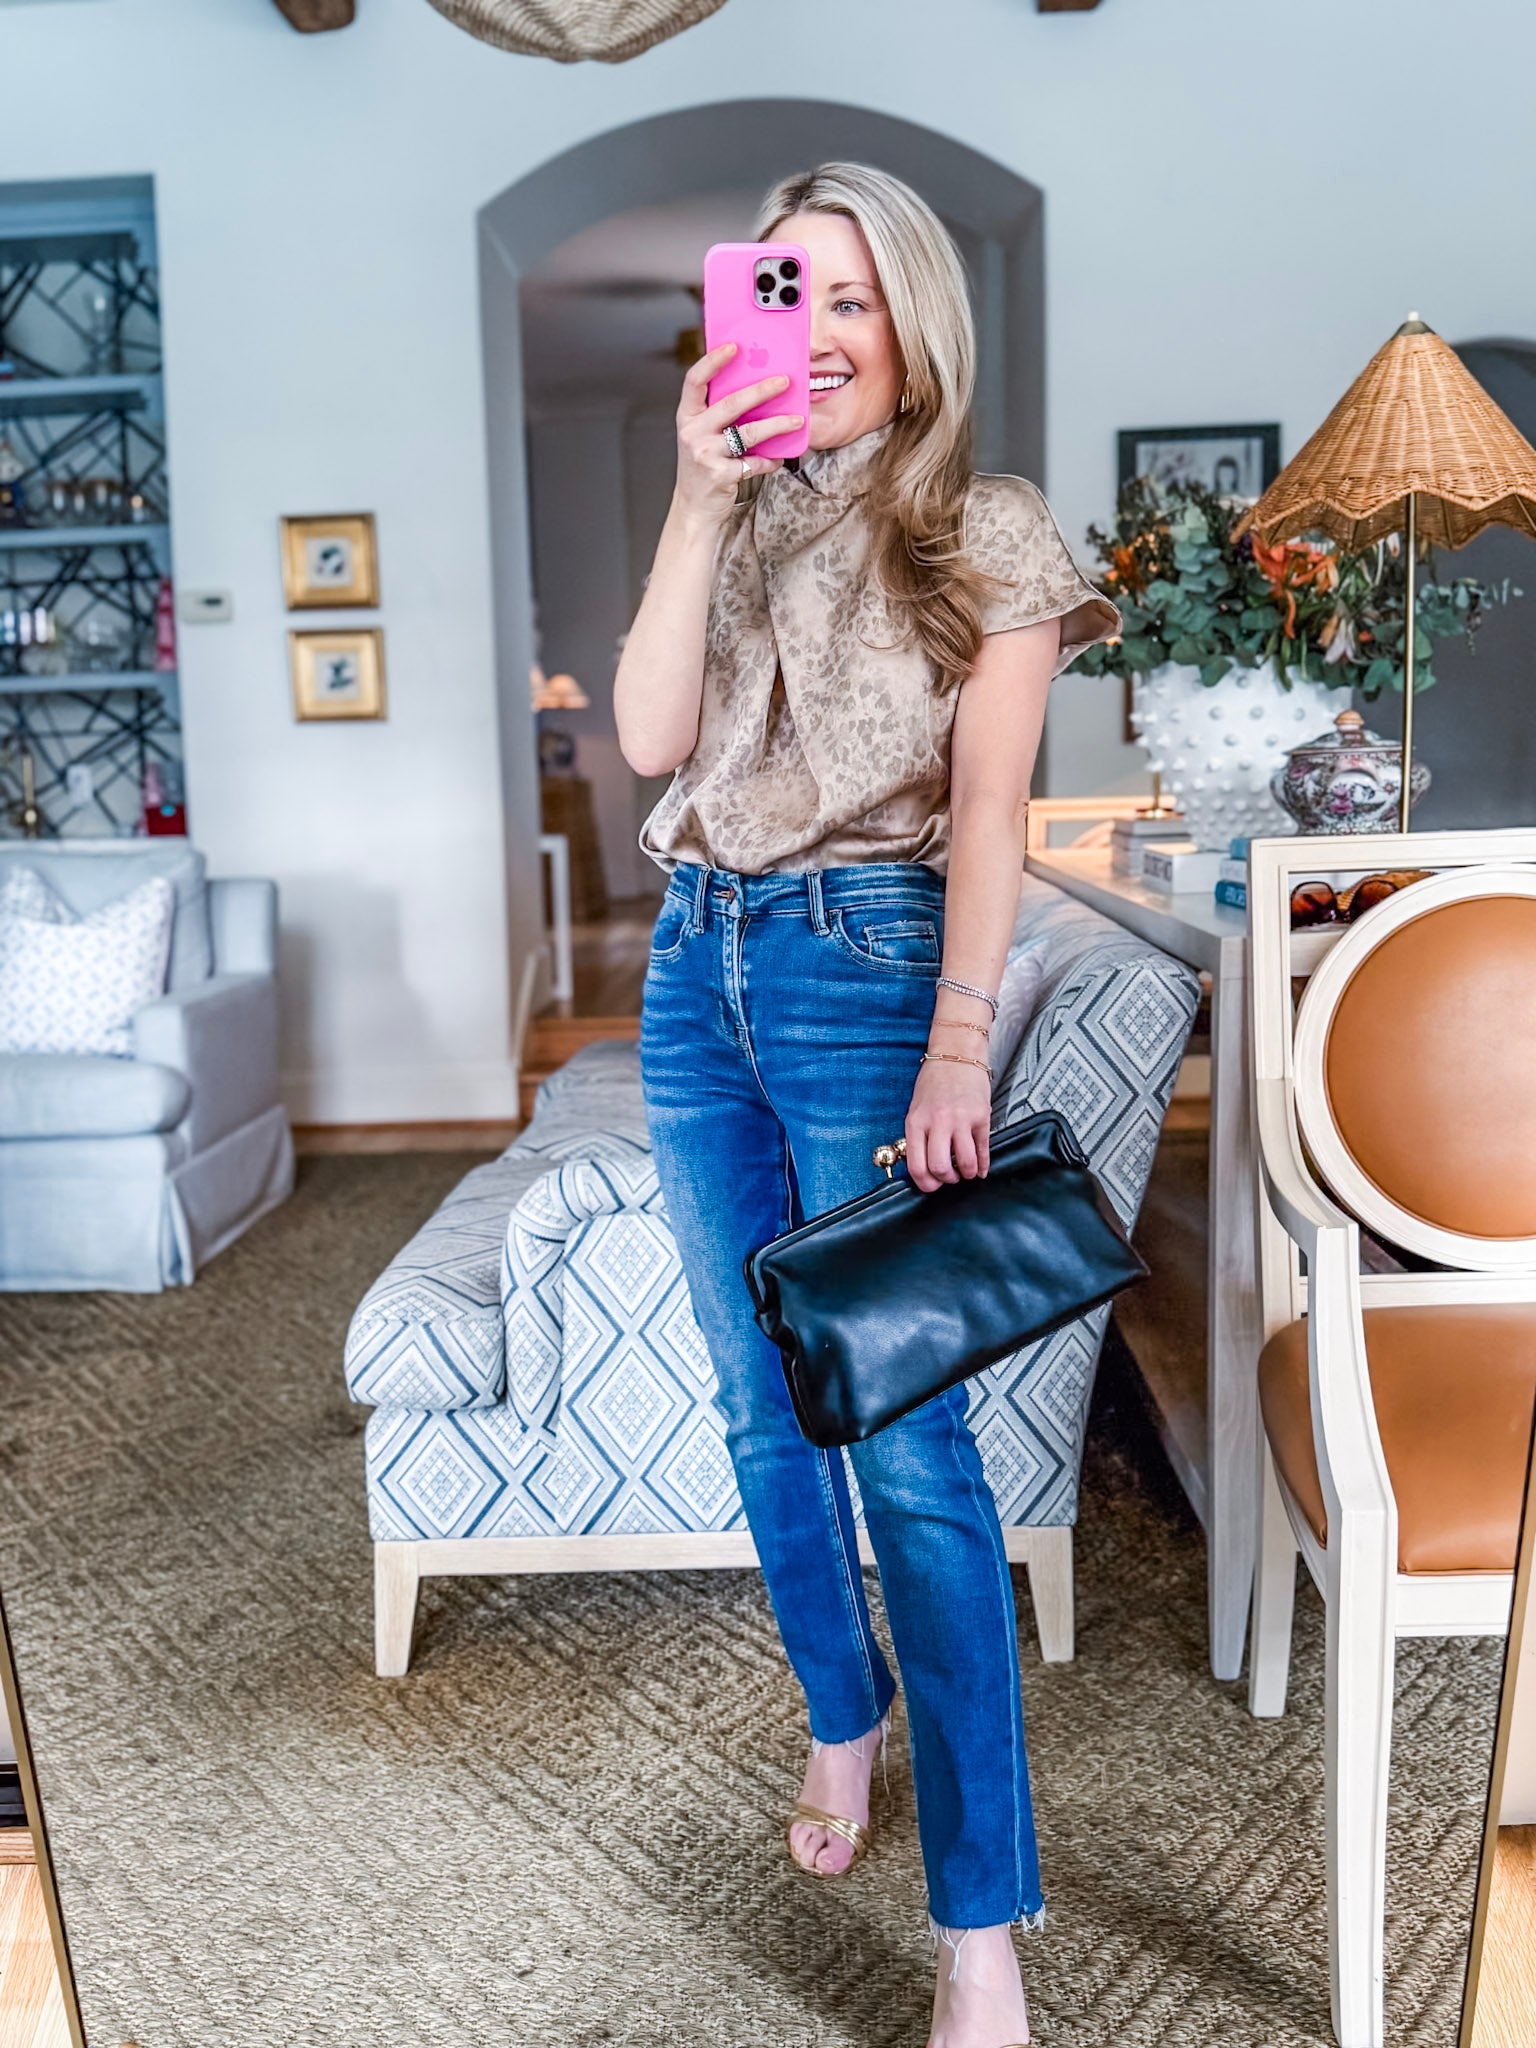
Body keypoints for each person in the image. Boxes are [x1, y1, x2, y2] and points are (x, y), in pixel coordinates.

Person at [614, 161, 1117, 2048]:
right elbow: (650, 742)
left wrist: (960, 1039)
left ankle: (981, 1924)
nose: (817, 336)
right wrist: (692, 499)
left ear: (915, 326)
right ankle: (845, 1713)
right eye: (784, 292)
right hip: (696, 968)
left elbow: (989, 812)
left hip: (866, 965)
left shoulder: (986, 526)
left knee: (908, 1450)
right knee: (759, 1409)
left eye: (852, 299)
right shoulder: (728, 508)